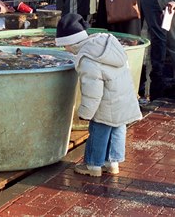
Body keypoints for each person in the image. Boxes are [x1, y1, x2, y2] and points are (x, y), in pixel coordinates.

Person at [55, 13, 142, 177]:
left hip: (106, 104)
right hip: (122, 99)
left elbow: (93, 92)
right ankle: (113, 163)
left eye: (64, 45)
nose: (64, 49)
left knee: (99, 131)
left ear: (70, 43)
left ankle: (93, 165)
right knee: (118, 129)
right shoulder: (106, 45)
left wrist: (85, 113)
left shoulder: (88, 59)